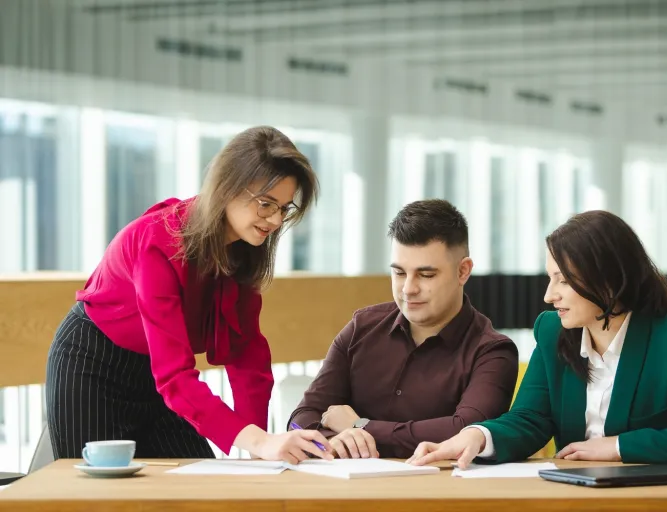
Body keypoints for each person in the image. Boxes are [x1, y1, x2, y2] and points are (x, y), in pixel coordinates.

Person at [46, 126, 333, 464]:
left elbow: (247, 357)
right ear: (226, 188)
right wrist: (258, 441)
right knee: (95, 499)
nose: (274, 220)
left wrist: (259, 451)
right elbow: (174, 376)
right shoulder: (158, 242)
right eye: (266, 204)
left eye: (284, 208)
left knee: (199, 487)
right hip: (93, 365)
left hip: (156, 379)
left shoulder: (243, 250)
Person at [408, 210, 667, 471]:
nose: (548, 295)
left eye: (562, 280)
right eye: (549, 278)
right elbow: (531, 419)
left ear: (609, 281)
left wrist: (619, 446)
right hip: (574, 496)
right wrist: (480, 436)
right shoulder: (552, 331)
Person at [288, 199, 519, 459]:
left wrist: (360, 427)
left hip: (441, 493)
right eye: (399, 273)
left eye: (426, 275)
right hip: (351, 492)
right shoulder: (361, 329)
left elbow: (464, 432)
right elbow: (302, 418)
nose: (408, 288)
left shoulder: (493, 352)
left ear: (463, 271)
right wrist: (341, 439)